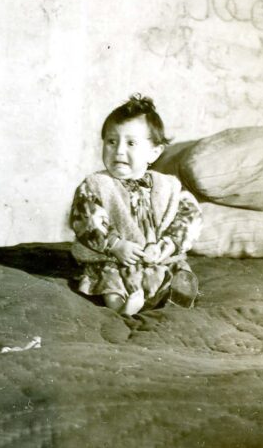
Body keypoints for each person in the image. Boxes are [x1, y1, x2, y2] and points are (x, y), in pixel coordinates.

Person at [69, 94, 201, 316]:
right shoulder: (96, 185)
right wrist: (115, 244)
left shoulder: (168, 186)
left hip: (157, 257)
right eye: (111, 142)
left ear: (154, 152)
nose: (119, 150)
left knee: (177, 274)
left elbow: (189, 217)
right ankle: (121, 306)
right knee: (109, 277)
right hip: (115, 257)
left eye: (130, 143)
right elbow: (87, 219)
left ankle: (172, 300)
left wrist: (166, 246)